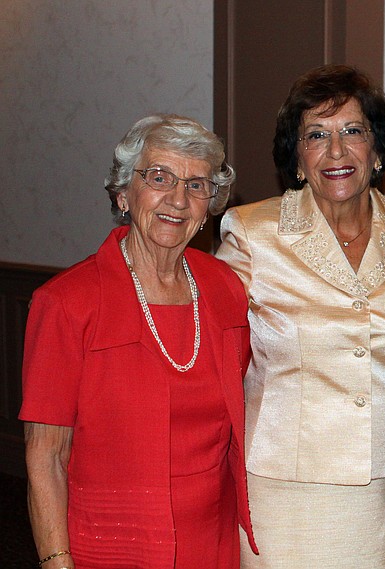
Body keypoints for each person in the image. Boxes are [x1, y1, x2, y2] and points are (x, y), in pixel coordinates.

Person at [20, 114, 257, 569]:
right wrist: (56, 560)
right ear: (124, 194)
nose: (178, 199)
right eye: (159, 177)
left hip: (211, 539)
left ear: (210, 204)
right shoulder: (67, 303)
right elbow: (46, 456)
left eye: (196, 185)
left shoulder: (225, 289)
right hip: (108, 546)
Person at [216, 64, 385, 569]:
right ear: (297, 157)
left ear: (377, 151)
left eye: (353, 131)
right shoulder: (252, 233)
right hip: (285, 497)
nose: (336, 151)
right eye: (317, 135)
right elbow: (209, 348)